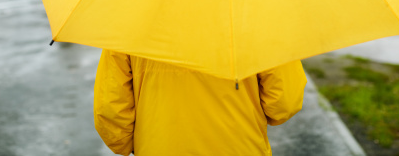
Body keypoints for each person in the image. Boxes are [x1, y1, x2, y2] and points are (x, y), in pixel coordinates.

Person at [94, 50, 307, 155]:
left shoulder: (130, 22)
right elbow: (284, 102)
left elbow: (110, 106)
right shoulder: (256, 16)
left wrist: (134, 144)